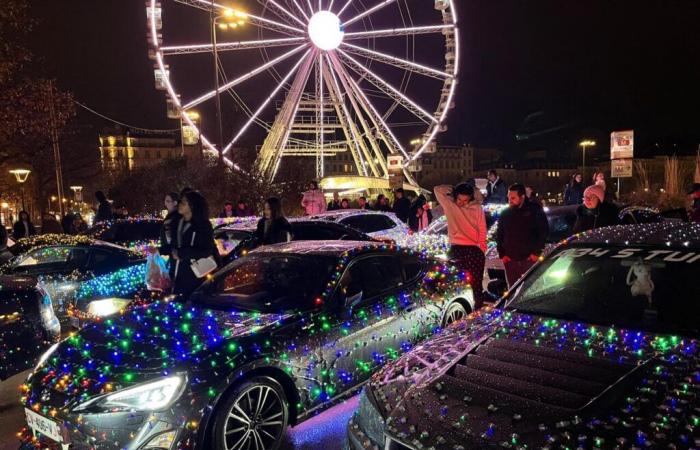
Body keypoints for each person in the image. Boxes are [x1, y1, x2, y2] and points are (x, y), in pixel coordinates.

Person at [434, 183, 487, 308]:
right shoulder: (450, 206)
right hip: (456, 250)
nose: (462, 203)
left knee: (476, 286)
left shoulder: (477, 208)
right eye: (459, 199)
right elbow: (437, 190)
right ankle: (459, 314)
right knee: (455, 286)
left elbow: (482, 229)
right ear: (455, 197)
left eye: (465, 200)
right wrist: (451, 188)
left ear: (470, 198)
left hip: (474, 251)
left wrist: (482, 249)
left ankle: (476, 316)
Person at [495, 184, 549, 287]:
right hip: (510, 261)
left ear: (522, 196)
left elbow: (543, 232)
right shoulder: (505, 213)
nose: (510, 200)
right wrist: (502, 253)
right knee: (513, 291)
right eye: (509, 198)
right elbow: (500, 234)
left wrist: (536, 253)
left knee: (530, 289)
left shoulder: (535, 211)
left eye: (513, 198)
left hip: (528, 260)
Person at [170, 190, 218, 296]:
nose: (179, 205)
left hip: (195, 275)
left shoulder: (203, 225)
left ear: (192, 206)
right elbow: (174, 244)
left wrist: (181, 253)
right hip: (178, 273)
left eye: (183, 202)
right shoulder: (178, 222)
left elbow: (206, 250)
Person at [157, 192, 181, 260]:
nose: (165, 204)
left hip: (175, 255)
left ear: (175, 203)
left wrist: (161, 250)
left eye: (168, 201)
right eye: (165, 201)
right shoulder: (170, 218)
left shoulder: (173, 219)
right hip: (173, 254)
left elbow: (170, 240)